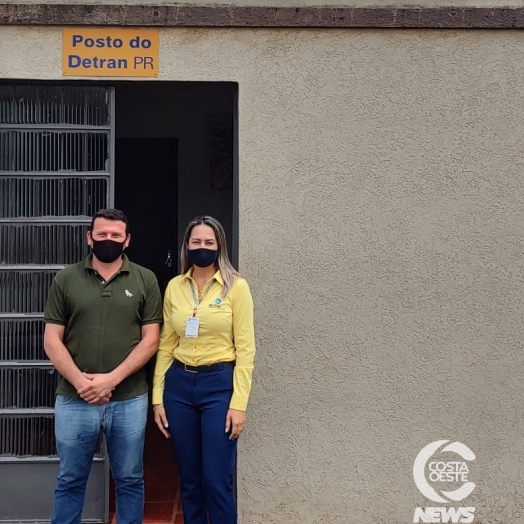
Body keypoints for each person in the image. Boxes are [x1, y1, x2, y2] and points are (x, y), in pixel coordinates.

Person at [43, 208, 163, 524]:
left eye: (115, 236)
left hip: (129, 399)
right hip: (73, 398)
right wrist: (83, 383)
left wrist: (111, 380)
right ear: (89, 238)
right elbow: (52, 340)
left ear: (127, 241)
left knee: (130, 479)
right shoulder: (66, 278)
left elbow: (151, 340)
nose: (108, 240)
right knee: (70, 480)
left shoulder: (145, 279)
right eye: (102, 235)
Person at [153, 215, 256, 524]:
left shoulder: (236, 287)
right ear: (187, 246)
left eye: (208, 242)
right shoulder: (174, 287)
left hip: (219, 386)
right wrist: (157, 397)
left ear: (219, 246)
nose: (202, 247)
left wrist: (238, 404)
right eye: (196, 242)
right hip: (180, 388)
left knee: (216, 479)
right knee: (190, 479)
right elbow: (165, 345)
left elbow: (246, 350)